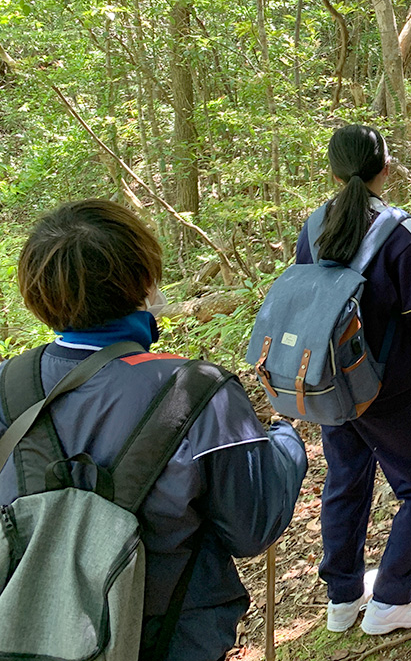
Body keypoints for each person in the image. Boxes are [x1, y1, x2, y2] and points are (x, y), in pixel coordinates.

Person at [1, 200, 307, 661]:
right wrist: (286, 442)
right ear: (143, 282)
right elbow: (253, 527)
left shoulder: (8, 387)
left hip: (27, 637)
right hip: (176, 641)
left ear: (38, 293)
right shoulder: (199, 391)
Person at [295, 124, 411, 635]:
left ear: (335, 171)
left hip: (330, 387)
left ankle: (342, 600)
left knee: (344, 483)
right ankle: (391, 599)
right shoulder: (399, 231)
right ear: (385, 168)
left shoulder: (313, 225)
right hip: (389, 389)